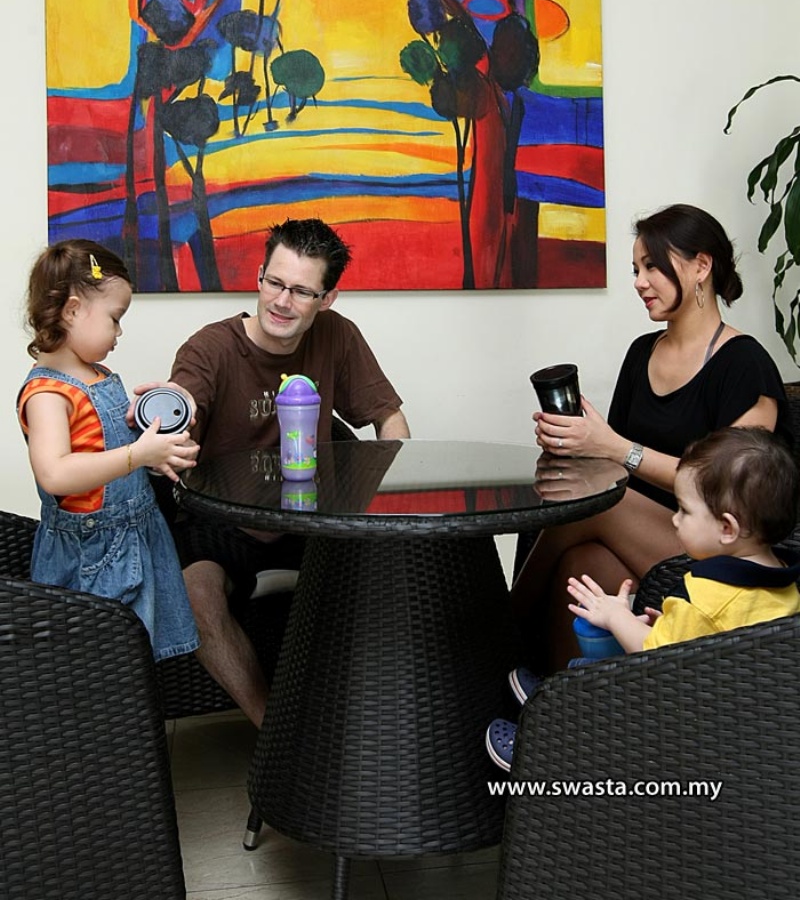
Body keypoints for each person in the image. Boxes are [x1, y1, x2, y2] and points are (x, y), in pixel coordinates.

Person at [512, 204, 792, 673]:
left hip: (718, 544)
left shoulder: (745, 363)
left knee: (598, 505)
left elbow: (738, 492)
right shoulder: (642, 353)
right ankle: (559, 705)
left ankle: (496, 630)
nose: (640, 282)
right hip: (640, 537)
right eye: (635, 270)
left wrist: (614, 447)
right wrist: (579, 444)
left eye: (653, 267)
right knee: (582, 565)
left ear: (701, 267)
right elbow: (614, 464)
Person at [161, 217, 410, 726]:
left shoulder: (337, 336)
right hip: (223, 523)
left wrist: (392, 493)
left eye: (301, 291)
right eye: (274, 282)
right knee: (193, 595)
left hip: (313, 521)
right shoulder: (210, 348)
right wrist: (172, 413)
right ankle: (277, 734)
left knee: (401, 571)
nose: (281, 301)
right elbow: (182, 409)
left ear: (327, 299)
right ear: (259, 277)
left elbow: (389, 418)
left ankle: (369, 720)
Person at [487, 426, 800, 771]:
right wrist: (669, 625)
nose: (675, 520)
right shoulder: (781, 581)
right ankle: (552, 702)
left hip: (679, 726)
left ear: (727, 528)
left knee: (596, 682)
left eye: (684, 511)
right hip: (733, 713)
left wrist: (616, 616)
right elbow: (708, 642)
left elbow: (656, 655)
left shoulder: (708, 595)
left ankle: (542, 750)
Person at [17, 239, 200, 662]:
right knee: (103, 666)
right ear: (72, 310)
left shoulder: (98, 375)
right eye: (115, 319)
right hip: (93, 557)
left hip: (137, 537)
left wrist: (156, 448)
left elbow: (110, 451)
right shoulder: (47, 393)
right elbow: (55, 473)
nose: (119, 333)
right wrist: (138, 455)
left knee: (136, 662)